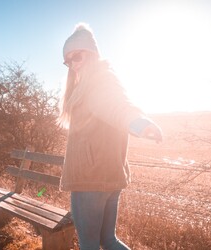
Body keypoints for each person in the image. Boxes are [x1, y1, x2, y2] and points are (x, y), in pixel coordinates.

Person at [58, 23, 162, 250]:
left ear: (92, 53)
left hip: (90, 179)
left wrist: (138, 123)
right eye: (68, 60)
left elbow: (117, 106)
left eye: (78, 56)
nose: (73, 64)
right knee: (108, 241)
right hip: (107, 177)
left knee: (89, 245)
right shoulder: (100, 80)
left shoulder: (97, 83)